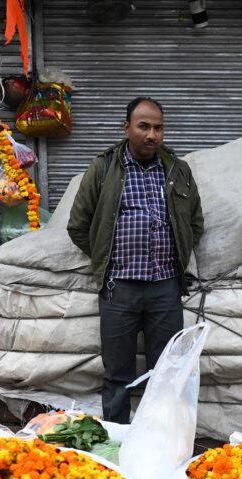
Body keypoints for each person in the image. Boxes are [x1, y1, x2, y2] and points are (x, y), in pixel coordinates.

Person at [67, 97, 205, 424]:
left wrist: (177, 253)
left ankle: (159, 439)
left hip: (165, 289)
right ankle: (117, 442)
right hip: (119, 290)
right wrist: (107, 257)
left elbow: (195, 223)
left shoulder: (177, 170)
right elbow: (78, 226)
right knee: (117, 374)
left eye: (158, 128)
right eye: (143, 126)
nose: (152, 135)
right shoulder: (103, 169)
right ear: (126, 127)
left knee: (166, 372)